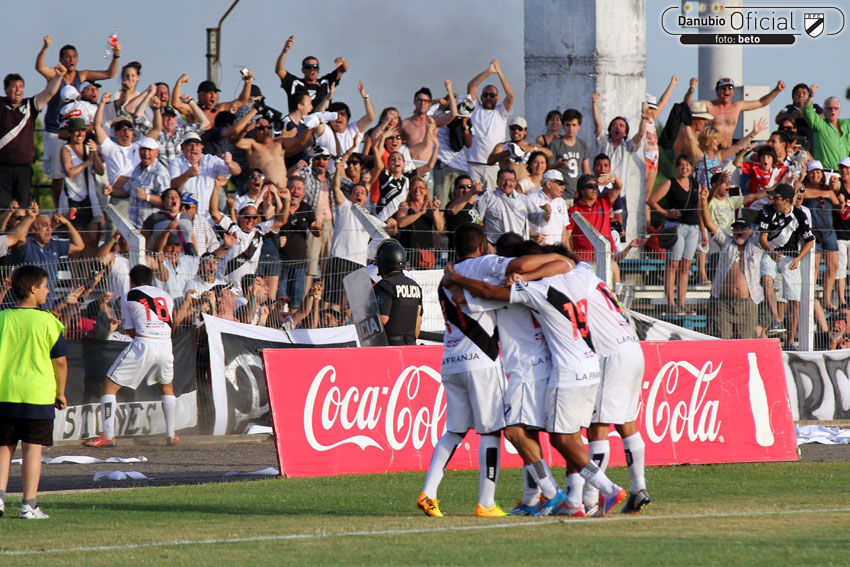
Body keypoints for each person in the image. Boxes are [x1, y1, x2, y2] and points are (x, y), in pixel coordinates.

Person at [442, 238, 628, 517]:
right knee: (563, 436)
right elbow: (566, 262)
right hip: (581, 365)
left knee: (525, 433)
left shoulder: (528, 290)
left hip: (534, 371)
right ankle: (568, 500)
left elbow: (465, 296)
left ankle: (582, 490)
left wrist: (454, 277)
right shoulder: (576, 275)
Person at [416, 223, 507, 518]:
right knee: (491, 431)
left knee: (454, 431)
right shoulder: (481, 272)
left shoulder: (446, 278)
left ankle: (429, 493)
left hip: (451, 359)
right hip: (480, 359)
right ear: (482, 247)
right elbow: (494, 295)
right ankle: (487, 502)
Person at [0, 265, 68, 520]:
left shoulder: (2, 318)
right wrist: (60, 392)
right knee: (32, 449)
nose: (48, 290)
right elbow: (60, 361)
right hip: (37, 395)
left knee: (3, 448)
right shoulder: (49, 321)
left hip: (4, 392)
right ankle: (29, 505)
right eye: (45, 285)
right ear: (33, 288)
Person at [84, 265, 178, 448]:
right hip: (166, 343)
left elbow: (129, 331)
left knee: (108, 385)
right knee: (167, 387)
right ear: (151, 279)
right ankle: (171, 434)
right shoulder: (166, 296)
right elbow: (169, 324)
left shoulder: (129, 296)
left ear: (131, 280)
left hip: (144, 342)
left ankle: (108, 435)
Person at [35, 36, 121, 205]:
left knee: (81, 172)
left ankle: (81, 208)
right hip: (55, 130)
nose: (71, 60)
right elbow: (39, 67)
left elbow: (109, 74)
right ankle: (58, 210)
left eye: (74, 56)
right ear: (61, 59)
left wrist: (116, 55)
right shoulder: (55, 74)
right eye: (67, 56)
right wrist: (45, 48)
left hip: (76, 133)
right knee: (57, 175)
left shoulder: (81, 75)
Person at [700, 188, 764, 339]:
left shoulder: (756, 244)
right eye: (736, 229)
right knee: (722, 342)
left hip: (747, 303)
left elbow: (766, 234)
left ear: (750, 230)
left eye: (743, 228)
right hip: (724, 303)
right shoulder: (726, 242)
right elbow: (709, 223)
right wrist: (703, 201)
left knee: (746, 343)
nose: (739, 231)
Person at [0, 66, 67, 208]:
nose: (18, 90)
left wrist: (59, 77)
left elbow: (49, 93)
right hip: (2, 167)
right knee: (3, 209)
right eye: (13, 86)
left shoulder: (29, 105)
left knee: (23, 208)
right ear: (5, 89)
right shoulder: (1, 104)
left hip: (24, 168)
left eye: (21, 86)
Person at [759, 183, 815, 349]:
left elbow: (810, 241)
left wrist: (798, 258)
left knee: (794, 301)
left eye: (776, 197)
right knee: (767, 279)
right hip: (770, 252)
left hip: (790, 257)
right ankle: (776, 320)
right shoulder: (767, 211)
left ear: (787, 200)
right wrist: (770, 251)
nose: (773, 199)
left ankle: (790, 341)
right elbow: (762, 238)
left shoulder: (800, 215)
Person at [648, 155, 703, 315]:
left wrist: (703, 231)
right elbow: (651, 201)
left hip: (693, 228)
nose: (684, 168)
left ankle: (682, 303)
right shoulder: (670, 183)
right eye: (681, 165)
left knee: (685, 267)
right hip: (676, 227)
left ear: (691, 168)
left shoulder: (696, 185)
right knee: (672, 265)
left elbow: (700, 210)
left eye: (687, 165)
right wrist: (667, 213)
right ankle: (671, 302)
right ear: (677, 167)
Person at [685, 76, 784, 147]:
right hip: (711, 151)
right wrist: (691, 90)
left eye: (730, 88)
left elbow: (761, 102)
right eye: (723, 88)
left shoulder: (737, 106)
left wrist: (777, 90)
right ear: (717, 91)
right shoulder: (709, 105)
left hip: (727, 150)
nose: (726, 91)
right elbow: (688, 104)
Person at [465, 60, 514, 190]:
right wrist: (489, 71)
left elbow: (510, 95)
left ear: (497, 98)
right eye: (485, 95)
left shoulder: (501, 112)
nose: (488, 97)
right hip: (473, 164)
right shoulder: (474, 108)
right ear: (481, 97)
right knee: (472, 200)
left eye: (492, 95)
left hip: (493, 166)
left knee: (492, 201)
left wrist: (499, 72)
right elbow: (471, 86)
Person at [58, 117, 104, 252]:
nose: (80, 134)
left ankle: (87, 273)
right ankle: (75, 273)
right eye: (76, 131)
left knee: (92, 241)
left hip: (90, 200)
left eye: (82, 131)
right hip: (72, 199)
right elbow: (70, 172)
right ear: (70, 133)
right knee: (76, 243)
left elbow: (101, 171)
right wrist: (87, 162)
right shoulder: (66, 149)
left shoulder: (88, 148)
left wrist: (94, 155)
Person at [103, 137, 170, 229]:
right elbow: (126, 191)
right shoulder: (137, 168)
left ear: (156, 153)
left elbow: (166, 201)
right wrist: (111, 191)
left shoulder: (160, 172)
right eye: (143, 149)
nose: (146, 153)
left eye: (149, 150)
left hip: (150, 228)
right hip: (133, 224)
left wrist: (147, 197)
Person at [474, 168, 551, 245]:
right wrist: (486, 242)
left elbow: (539, 220)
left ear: (515, 183)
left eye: (511, 180)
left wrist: (547, 212)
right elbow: (476, 221)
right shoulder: (488, 198)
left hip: (519, 247)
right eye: (504, 179)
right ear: (497, 181)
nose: (507, 183)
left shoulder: (523, 199)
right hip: (495, 247)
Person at [275, 36, 348, 107]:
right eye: (308, 67)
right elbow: (279, 70)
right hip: (299, 119)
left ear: (318, 70)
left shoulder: (325, 82)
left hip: (323, 119)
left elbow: (343, 69)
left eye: (315, 67)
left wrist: (342, 61)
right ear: (302, 70)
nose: (312, 69)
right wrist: (284, 51)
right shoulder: (295, 84)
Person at [373, 240, 422, 346]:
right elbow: (418, 321)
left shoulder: (384, 286)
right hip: (410, 347)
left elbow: (382, 319)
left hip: (389, 348)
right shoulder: (415, 286)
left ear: (382, 263)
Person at [566, 173, 621, 261]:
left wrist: (613, 178)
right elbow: (566, 238)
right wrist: (575, 259)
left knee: (615, 270)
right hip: (583, 259)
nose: (594, 189)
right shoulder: (573, 210)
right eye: (590, 186)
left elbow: (618, 187)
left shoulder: (604, 202)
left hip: (605, 257)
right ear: (581, 190)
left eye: (596, 186)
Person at [401, 81, 457, 164]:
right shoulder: (405, 123)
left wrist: (449, 90)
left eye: (425, 101)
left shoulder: (433, 123)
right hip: (409, 164)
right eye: (419, 100)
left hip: (426, 165)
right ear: (414, 102)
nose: (422, 103)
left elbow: (454, 113)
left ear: (430, 104)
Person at [395, 176, 444, 268]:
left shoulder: (431, 206)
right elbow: (401, 223)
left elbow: (440, 227)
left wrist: (435, 210)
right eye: (414, 187)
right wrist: (420, 213)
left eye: (421, 187)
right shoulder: (405, 205)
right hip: (407, 250)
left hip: (425, 253)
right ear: (410, 190)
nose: (418, 190)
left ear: (426, 191)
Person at [487, 116, 551, 184]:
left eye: (520, 129)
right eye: (513, 129)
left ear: (525, 131)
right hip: (508, 185)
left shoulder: (530, 146)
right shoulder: (503, 146)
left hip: (525, 186)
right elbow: (490, 161)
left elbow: (549, 153)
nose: (516, 131)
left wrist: (532, 149)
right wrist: (507, 153)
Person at [547, 109, 591, 205]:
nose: (571, 128)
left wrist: (585, 190)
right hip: (560, 195)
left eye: (574, 125)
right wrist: (557, 165)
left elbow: (586, 172)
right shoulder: (555, 144)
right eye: (568, 125)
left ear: (579, 126)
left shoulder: (582, 144)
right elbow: (547, 169)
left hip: (577, 195)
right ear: (563, 125)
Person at [802, 85, 850, 170]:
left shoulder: (847, 124)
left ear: (840, 110)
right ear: (824, 110)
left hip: (844, 174)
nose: (832, 111)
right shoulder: (820, 124)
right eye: (829, 108)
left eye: (835, 108)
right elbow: (807, 111)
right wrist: (811, 95)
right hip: (826, 172)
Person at [528, 170, 570, 246]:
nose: (563, 187)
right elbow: (521, 224)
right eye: (560, 184)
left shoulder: (561, 202)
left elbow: (564, 229)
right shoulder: (530, 199)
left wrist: (564, 249)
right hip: (536, 250)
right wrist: (532, 234)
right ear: (549, 184)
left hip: (555, 251)